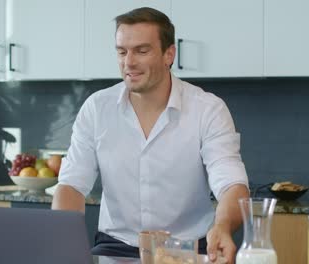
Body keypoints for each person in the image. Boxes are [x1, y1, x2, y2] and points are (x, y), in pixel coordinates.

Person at [52, 7, 249, 264]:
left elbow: (232, 183)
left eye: (142, 51)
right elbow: (71, 184)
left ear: (169, 54)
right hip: (115, 253)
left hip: (187, 255)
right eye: (122, 52)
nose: (129, 62)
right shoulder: (97, 108)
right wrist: (60, 242)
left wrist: (222, 226)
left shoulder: (208, 109)